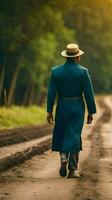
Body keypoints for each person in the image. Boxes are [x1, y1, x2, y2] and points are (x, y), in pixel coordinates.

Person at [46, 43, 96, 178]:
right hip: (77, 106)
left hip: (62, 105)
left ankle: (63, 158)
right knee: (74, 135)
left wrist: (49, 110)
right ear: (77, 57)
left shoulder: (56, 72)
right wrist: (91, 111)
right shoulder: (83, 72)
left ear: (66, 57)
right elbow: (89, 94)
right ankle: (72, 169)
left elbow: (51, 92)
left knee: (62, 132)